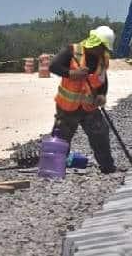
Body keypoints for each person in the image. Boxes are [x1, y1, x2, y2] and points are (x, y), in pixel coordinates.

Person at [48, 25, 117, 174]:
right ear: (95, 43)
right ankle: (53, 169)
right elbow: (53, 66)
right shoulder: (72, 51)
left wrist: (102, 95)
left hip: (89, 107)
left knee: (101, 134)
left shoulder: (102, 59)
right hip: (67, 107)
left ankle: (107, 167)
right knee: (61, 138)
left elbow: (103, 79)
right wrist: (72, 73)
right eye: (102, 47)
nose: (103, 51)